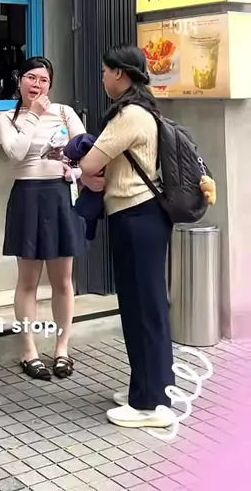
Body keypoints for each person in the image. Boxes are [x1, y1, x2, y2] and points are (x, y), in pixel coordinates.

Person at [79, 44, 201, 430]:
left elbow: (90, 162)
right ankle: (151, 388)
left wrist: (82, 163)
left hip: (136, 216)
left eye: (105, 71)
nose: (102, 78)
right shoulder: (143, 110)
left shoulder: (130, 115)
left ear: (120, 73)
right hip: (141, 216)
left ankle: (151, 405)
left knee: (144, 308)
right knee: (143, 306)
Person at [0, 56, 87, 380]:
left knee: (63, 280)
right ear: (19, 80)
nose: (37, 85)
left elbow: (87, 152)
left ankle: (62, 349)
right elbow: (16, 153)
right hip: (27, 196)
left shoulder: (65, 113)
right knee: (28, 281)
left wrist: (74, 171)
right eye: (31, 78)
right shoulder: (8, 117)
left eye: (44, 80)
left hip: (61, 197)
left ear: (51, 84)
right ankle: (29, 351)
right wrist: (34, 114)